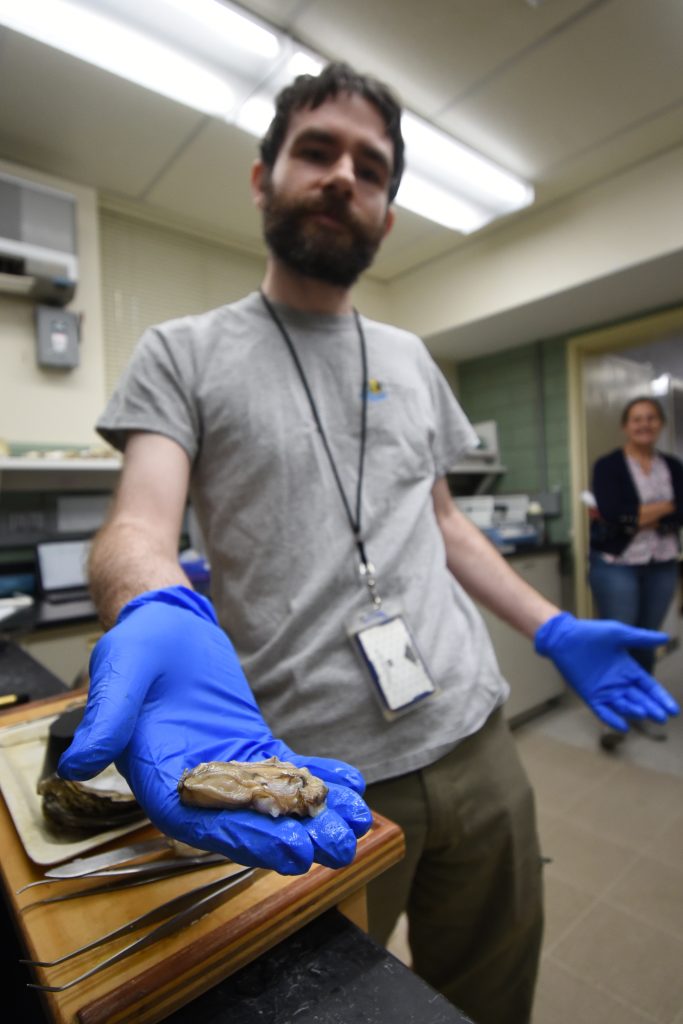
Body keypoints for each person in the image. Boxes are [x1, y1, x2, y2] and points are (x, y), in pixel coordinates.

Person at [57, 64, 679, 1024]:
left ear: (386, 215)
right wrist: (150, 598)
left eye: (372, 167)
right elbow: (139, 521)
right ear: (263, 179)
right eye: (316, 151)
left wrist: (552, 625)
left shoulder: (410, 359)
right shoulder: (182, 354)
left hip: (475, 737)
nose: (344, 175)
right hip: (309, 771)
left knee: (491, 994)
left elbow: (442, 523)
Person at [589, 396, 683, 749]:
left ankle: (638, 708)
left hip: (660, 563)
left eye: (651, 418)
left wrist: (643, 513)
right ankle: (611, 716)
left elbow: (681, 511)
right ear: (625, 426)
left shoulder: (672, 466)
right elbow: (613, 513)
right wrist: (667, 507)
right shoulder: (608, 466)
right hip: (617, 565)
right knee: (618, 640)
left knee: (645, 640)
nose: (644, 424)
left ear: (660, 424)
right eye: (636, 419)